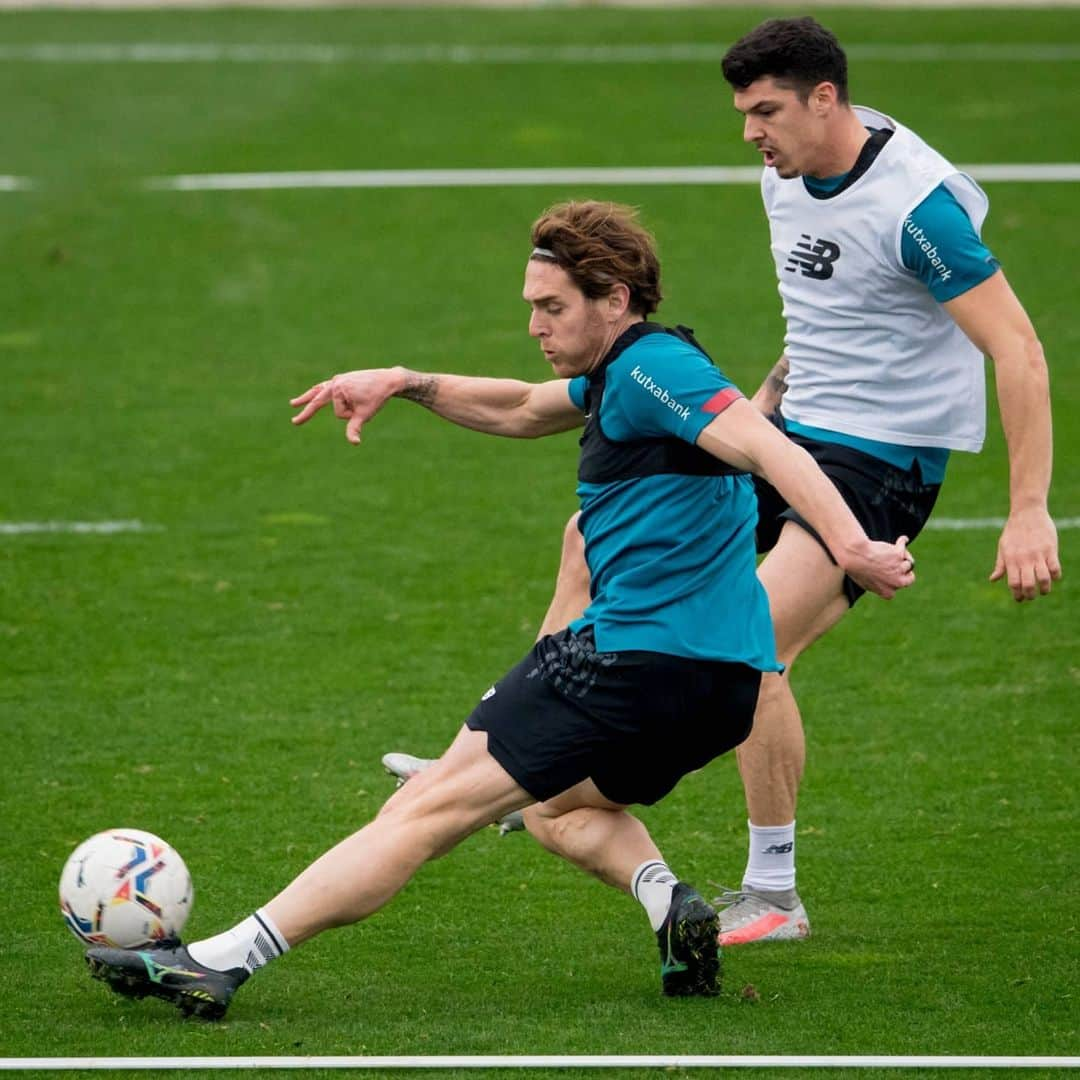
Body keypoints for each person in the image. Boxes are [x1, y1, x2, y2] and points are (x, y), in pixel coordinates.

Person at [84, 201, 913, 1020]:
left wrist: (851, 546)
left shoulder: (658, 372)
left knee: (424, 813)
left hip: (628, 665)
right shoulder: (622, 379)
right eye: (531, 308)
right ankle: (667, 905)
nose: (535, 326)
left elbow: (769, 447)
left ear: (615, 299)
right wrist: (403, 382)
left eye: (552, 308)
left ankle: (218, 965)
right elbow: (519, 407)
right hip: (719, 692)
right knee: (554, 810)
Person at [383, 17, 1061, 946]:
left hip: (881, 460)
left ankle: (774, 891)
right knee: (588, 542)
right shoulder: (788, 174)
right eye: (745, 112)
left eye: (768, 110)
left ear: (826, 98)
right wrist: (762, 402)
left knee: (751, 646)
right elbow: (833, 309)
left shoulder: (918, 209)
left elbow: (1017, 348)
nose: (752, 131)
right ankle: (504, 760)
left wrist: (1029, 510)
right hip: (794, 424)